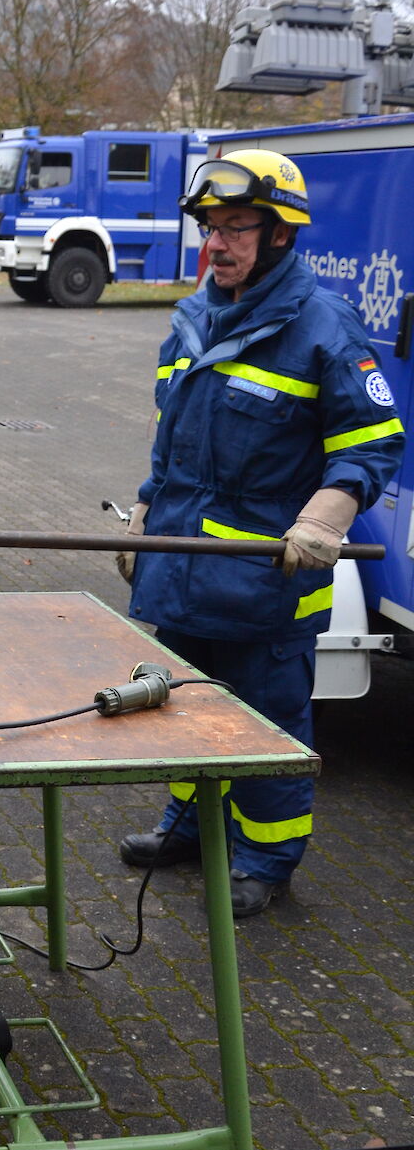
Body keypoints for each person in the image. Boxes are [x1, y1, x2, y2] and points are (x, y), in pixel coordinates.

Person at [116, 148, 404, 918]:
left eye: (238, 227)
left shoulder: (324, 328)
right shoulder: (194, 316)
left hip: (267, 580)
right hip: (183, 567)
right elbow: (170, 438)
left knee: (268, 726)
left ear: (281, 235)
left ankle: (266, 862)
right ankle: (188, 827)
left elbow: (371, 442)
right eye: (212, 227)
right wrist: (145, 513)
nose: (219, 243)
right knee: (183, 707)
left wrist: (324, 520)